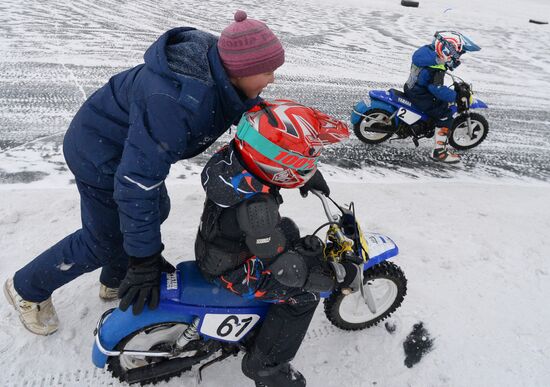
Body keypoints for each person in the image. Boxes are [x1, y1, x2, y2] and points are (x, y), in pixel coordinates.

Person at [3, 10, 285, 336]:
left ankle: (115, 276)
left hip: (123, 144)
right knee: (105, 239)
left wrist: (291, 160)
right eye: (266, 71)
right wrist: (144, 261)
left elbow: (239, 107)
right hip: (98, 153)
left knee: (155, 209)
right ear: (240, 70)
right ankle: (27, 288)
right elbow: (136, 186)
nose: (272, 79)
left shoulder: (219, 71)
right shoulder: (176, 101)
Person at [195, 100, 360, 386]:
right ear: (281, 163)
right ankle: (266, 366)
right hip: (233, 273)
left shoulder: (233, 158)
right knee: (304, 294)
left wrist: (304, 176)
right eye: (306, 158)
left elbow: (266, 164)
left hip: (218, 244)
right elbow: (287, 271)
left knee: (288, 230)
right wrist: (333, 276)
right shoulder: (257, 210)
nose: (311, 162)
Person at [404, 31, 479, 163]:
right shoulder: (436, 68)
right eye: (457, 54)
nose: (457, 58)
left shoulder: (426, 52)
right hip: (420, 95)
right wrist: (456, 97)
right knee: (444, 114)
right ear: (447, 50)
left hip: (412, 88)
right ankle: (439, 152)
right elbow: (436, 89)